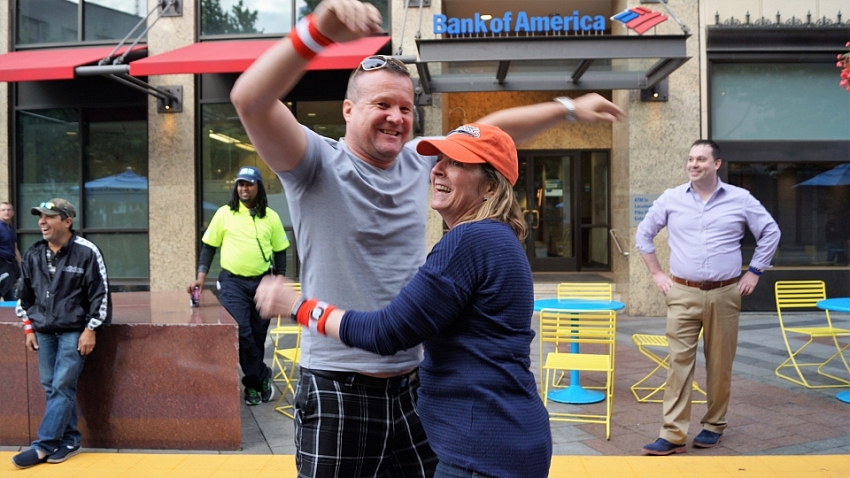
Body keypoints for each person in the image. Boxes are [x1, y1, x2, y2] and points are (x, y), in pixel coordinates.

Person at [229, 0, 624, 474]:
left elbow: (492, 132)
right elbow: (249, 99)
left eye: (405, 106)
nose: (397, 116)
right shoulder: (315, 161)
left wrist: (568, 107)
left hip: (417, 384)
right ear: (348, 109)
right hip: (339, 383)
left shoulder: (424, 159)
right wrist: (318, 31)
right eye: (382, 104)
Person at [255, 123, 551, 478]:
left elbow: (386, 333)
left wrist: (297, 306)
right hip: (509, 438)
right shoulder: (500, 239)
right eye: (440, 159)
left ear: (490, 186)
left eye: (457, 163)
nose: (438, 169)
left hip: (481, 450)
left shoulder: (468, 240)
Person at [635, 140, 780, 456]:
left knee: (720, 365)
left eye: (701, 159)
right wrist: (658, 274)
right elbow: (643, 235)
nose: (693, 164)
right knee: (678, 364)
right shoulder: (672, 198)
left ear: (717, 164)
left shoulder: (740, 199)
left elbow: (770, 232)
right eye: (690, 159)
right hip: (682, 292)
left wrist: (754, 271)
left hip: (726, 293)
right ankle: (673, 434)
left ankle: (714, 426)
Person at [12, 198, 111, 469]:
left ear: (67, 221)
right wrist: (28, 327)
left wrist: (91, 329)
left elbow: (100, 294)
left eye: (49, 217)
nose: (42, 221)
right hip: (43, 331)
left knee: (62, 386)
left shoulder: (87, 251)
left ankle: (43, 445)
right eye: (40, 217)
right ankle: (69, 439)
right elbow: (24, 296)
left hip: (73, 331)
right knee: (50, 386)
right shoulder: (33, 254)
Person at [187, 166, 290, 406]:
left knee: (257, 334)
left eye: (249, 184)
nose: (244, 188)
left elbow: (281, 252)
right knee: (242, 331)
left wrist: (279, 280)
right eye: (241, 184)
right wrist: (201, 278)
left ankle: (255, 384)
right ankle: (258, 378)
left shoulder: (270, 217)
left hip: (263, 282)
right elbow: (209, 247)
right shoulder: (224, 213)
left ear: (258, 187)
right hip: (233, 282)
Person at [0, 202, 22, 300]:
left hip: (10, 265)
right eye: (3, 210)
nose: (6, 212)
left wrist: (21, 265)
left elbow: (14, 247)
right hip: (1, 265)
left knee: (11, 295)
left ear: (13, 212)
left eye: (9, 210)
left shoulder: (10, 228)